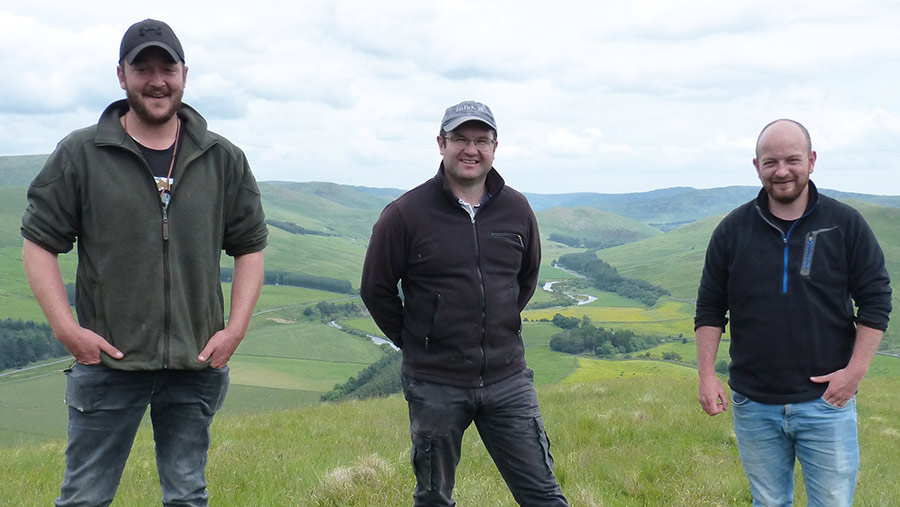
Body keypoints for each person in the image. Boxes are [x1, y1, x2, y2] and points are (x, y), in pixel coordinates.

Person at [21, 19, 267, 506]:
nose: (157, 80)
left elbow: (250, 246)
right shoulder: (81, 154)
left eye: (167, 68)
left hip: (196, 363)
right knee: (84, 499)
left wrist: (235, 329)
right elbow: (38, 243)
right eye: (143, 69)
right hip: (108, 362)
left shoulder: (222, 158)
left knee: (187, 497)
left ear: (184, 73)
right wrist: (67, 331)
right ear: (121, 75)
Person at [360, 100, 568, 506]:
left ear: (495, 147)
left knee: (543, 494)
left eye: (481, 140)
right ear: (441, 143)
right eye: (460, 138)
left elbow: (525, 280)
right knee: (434, 497)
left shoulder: (518, 208)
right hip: (435, 384)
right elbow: (376, 289)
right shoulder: (405, 214)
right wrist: (419, 339)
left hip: (508, 380)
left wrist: (499, 322)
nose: (470, 149)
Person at [695, 119, 892, 506]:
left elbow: (876, 299)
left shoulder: (846, 224)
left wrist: (855, 373)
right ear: (756, 166)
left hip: (827, 402)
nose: (781, 171)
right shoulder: (732, 230)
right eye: (770, 162)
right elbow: (710, 308)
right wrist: (706, 375)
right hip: (754, 403)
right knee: (768, 503)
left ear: (812, 161)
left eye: (792, 160)